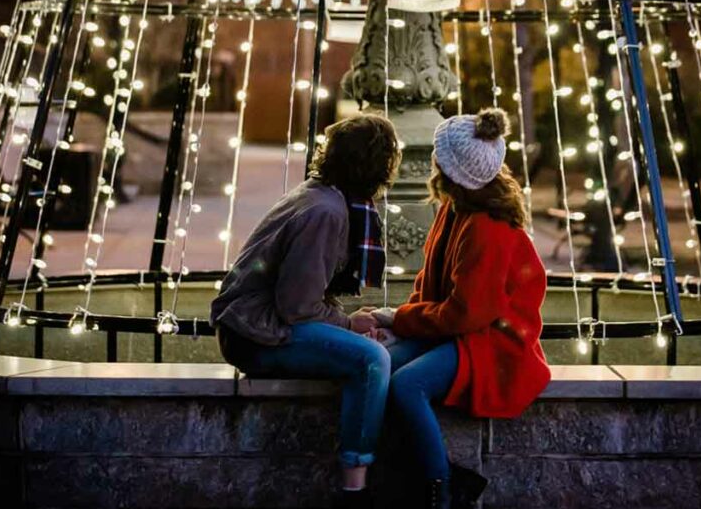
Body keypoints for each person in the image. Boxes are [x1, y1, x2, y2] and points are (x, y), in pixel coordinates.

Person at [211, 114, 401, 508]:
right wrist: (348, 324)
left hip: (265, 324)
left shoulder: (324, 195)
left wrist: (348, 323)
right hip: (255, 336)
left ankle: (394, 466)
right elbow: (296, 307)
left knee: (381, 344)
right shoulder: (325, 212)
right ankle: (355, 488)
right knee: (371, 359)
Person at [371, 108, 551, 508]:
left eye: (437, 153)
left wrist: (395, 318)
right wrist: (400, 328)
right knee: (381, 362)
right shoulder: (456, 206)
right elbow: (432, 285)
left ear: (448, 167)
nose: (431, 157)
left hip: (494, 340)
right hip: (466, 330)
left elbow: (466, 314)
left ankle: (443, 488)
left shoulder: (486, 226)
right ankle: (397, 472)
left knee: (407, 384)